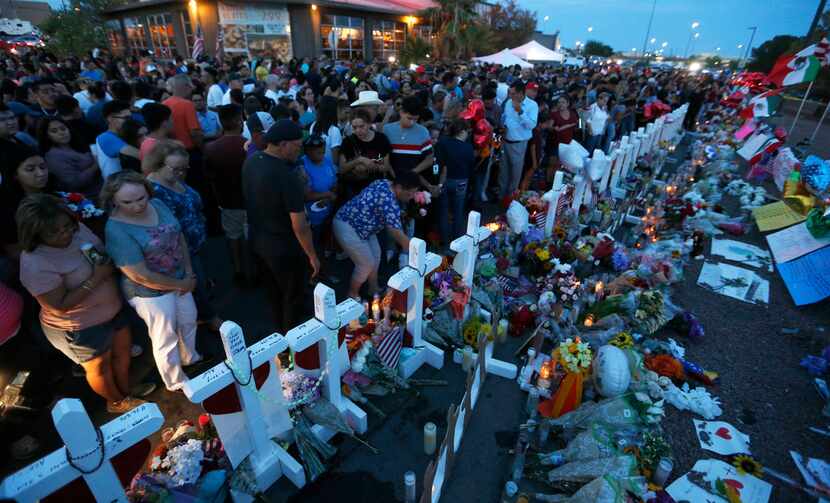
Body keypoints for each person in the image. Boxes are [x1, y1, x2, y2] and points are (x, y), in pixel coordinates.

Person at [17, 194, 152, 412]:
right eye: (54, 232)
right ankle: (116, 402)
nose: (66, 234)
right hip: (79, 327)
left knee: (123, 352)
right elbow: (59, 304)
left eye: (67, 226)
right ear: (35, 234)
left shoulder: (76, 230)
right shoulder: (35, 263)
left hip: (112, 310)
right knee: (100, 368)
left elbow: (98, 251)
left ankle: (126, 392)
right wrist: (98, 276)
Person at [102, 171, 202, 392]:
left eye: (141, 198)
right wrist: (182, 284)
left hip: (180, 279)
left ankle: (190, 358)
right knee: (164, 336)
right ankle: (175, 381)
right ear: (113, 201)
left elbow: (178, 237)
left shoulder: (157, 204)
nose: (137, 206)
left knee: (188, 320)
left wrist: (188, 272)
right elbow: (139, 275)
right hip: (148, 292)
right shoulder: (116, 228)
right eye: (127, 202)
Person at [242, 119, 319, 333]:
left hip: (257, 241)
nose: (300, 150)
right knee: (292, 297)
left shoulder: (251, 162)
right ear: (283, 144)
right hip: (284, 247)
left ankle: (279, 335)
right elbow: (299, 225)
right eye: (297, 145)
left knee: (273, 294)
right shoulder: (287, 176)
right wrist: (312, 255)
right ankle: (293, 345)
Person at [142, 140, 222, 331]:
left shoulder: (174, 179)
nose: (181, 173)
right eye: (176, 169)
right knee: (196, 282)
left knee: (200, 280)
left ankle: (200, 313)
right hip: (181, 248)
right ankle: (210, 318)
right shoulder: (155, 191)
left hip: (196, 241)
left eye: (184, 169)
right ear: (158, 164)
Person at [333, 172, 419, 300]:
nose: (412, 197)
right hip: (347, 226)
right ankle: (352, 295)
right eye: (409, 193)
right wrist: (416, 252)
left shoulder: (384, 182)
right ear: (399, 187)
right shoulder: (389, 202)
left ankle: (373, 288)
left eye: (414, 192)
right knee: (366, 264)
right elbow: (396, 232)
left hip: (363, 226)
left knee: (376, 255)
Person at [204, 104, 248, 285]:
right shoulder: (247, 145)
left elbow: (209, 177)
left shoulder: (210, 148)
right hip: (249, 201)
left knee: (233, 237)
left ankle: (238, 270)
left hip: (227, 202)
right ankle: (255, 267)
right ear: (238, 121)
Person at [38, 117, 102, 198]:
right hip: (89, 197)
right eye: (54, 131)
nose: (61, 133)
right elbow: (73, 183)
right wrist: (95, 166)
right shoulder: (53, 156)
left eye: (63, 128)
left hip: (102, 185)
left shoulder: (74, 144)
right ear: (47, 136)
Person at [435, 118, 474, 245]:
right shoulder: (467, 147)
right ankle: (457, 241)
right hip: (461, 181)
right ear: (462, 131)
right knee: (458, 211)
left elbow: (438, 163)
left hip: (444, 180)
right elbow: (471, 165)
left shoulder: (442, 143)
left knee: (444, 211)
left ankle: (445, 241)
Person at [339, 108, 393, 199]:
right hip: (354, 190)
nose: (358, 131)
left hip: (376, 188)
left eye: (361, 126)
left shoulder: (381, 139)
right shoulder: (348, 141)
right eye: (354, 127)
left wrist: (371, 166)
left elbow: (386, 166)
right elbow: (342, 168)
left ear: (369, 124)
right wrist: (360, 160)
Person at [499, 80, 538, 198]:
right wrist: (502, 126)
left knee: (515, 174)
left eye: (513, 93)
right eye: (510, 93)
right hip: (505, 141)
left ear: (521, 93)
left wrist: (520, 112)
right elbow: (505, 118)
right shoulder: (508, 102)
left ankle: (510, 200)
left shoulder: (532, 105)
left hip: (519, 144)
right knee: (503, 172)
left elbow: (532, 125)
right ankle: (501, 197)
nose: (510, 96)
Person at [383, 96, 434, 185]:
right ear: (401, 112)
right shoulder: (387, 130)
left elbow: (429, 159)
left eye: (415, 119)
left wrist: (412, 173)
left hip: (411, 183)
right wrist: (388, 169)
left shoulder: (423, 131)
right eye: (409, 118)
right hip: (390, 181)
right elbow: (381, 155)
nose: (412, 123)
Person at [300, 135, 337, 251]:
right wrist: (328, 195)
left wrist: (330, 195)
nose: (321, 151)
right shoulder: (302, 166)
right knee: (314, 247)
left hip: (329, 211)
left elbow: (335, 182)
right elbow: (306, 195)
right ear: (307, 151)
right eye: (317, 150)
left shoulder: (327, 161)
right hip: (312, 218)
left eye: (322, 148)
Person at [94, 100, 139, 180]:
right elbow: (140, 155)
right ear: (110, 118)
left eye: (130, 117)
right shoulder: (106, 138)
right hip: (117, 188)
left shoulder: (123, 134)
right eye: (126, 118)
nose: (130, 121)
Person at [309, 96, 342, 165]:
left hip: (316, 167)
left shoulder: (313, 125)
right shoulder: (334, 130)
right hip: (330, 171)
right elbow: (335, 160)